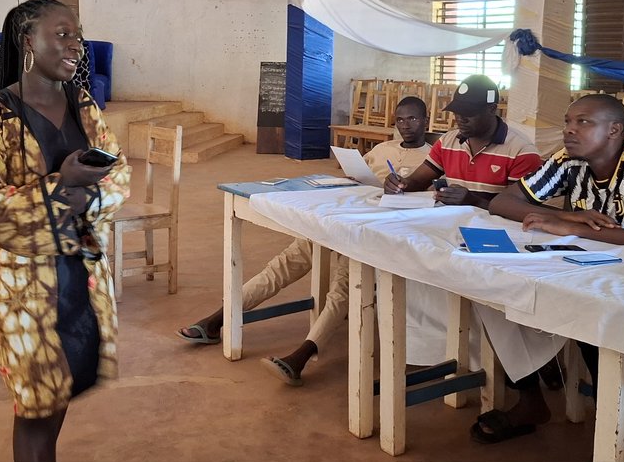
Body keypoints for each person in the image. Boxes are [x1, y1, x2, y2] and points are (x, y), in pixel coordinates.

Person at [0, 0, 131, 462]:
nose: (76, 44)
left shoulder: (84, 106)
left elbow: (120, 171)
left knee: (59, 397)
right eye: (62, 34)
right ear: (28, 40)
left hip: (83, 285)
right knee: (35, 410)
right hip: (28, 296)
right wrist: (60, 185)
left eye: (78, 34)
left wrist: (90, 197)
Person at [176, 97, 432, 386]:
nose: (405, 125)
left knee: (343, 287)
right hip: (338, 221)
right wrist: (353, 177)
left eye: (412, 119)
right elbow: (358, 181)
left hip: (368, 235)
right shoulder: (383, 149)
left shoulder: (433, 158)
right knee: (281, 266)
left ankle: (303, 353)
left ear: (426, 120)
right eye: (400, 120)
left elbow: (429, 204)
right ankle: (217, 319)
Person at [478, 92, 624, 444]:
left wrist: (576, 229)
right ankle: (533, 396)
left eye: (583, 122)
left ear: (615, 130)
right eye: (568, 122)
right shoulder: (569, 160)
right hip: (588, 269)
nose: (569, 131)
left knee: (596, 315)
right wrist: (567, 216)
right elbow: (502, 202)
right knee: (499, 295)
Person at [384, 75, 540, 208]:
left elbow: (520, 209)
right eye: (457, 112)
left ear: (492, 109)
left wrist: (474, 202)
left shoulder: (521, 151)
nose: (460, 119)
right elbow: (418, 180)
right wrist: (401, 184)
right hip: (451, 224)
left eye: (469, 113)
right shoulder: (447, 142)